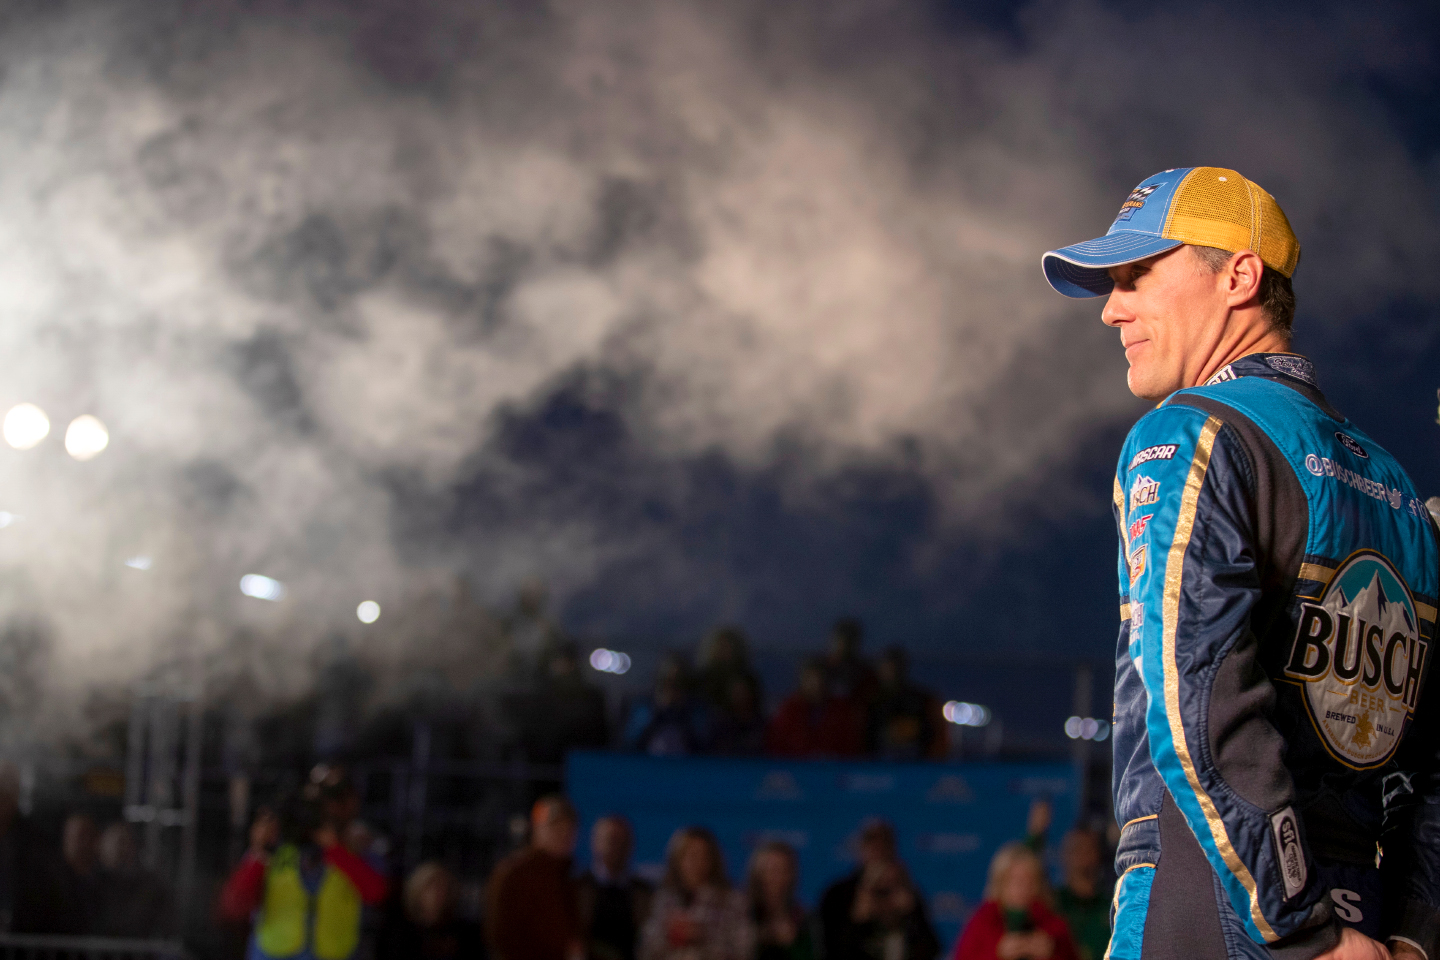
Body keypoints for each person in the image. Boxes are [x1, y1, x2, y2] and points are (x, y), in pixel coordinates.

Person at [1042, 167, 1440, 960]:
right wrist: (1412, 934)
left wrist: (1301, 928)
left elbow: (1201, 711)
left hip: (1219, 893)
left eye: (1137, 274)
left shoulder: (1191, 433)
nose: (1113, 308)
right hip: (1364, 905)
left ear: (1240, 275)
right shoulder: (1399, 491)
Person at [219, 790, 390, 960]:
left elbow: (377, 894)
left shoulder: (351, 851)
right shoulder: (270, 854)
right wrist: (259, 852)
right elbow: (234, 906)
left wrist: (334, 848)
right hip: (273, 954)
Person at [817, 821, 939, 960]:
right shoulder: (839, 894)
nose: (878, 852)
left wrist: (912, 915)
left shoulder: (906, 889)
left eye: (885, 845)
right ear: (861, 849)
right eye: (872, 845)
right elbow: (831, 950)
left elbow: (932, 949)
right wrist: (857, 919)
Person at [485, 796, 584, 960]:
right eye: (556, 826)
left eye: (569, 828)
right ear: (537, 828)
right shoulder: (513, 873)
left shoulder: (568, 877)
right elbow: (500, 936)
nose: (564, 834)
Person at [639, 826, 750, 960]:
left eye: (703, 856)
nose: (696, 863)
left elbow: (744, 951)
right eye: (690, 855)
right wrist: (668, 935)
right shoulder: (663, 900)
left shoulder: (732, 901)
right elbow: (645, 950)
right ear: (677, 859)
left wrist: (703, 936)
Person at [951, 844, 1077, 960]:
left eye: (1030, 881)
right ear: (1000, 883)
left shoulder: (1053, 925)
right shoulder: (982, 922)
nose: (1024, 888)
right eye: (1016, 881)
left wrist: (1050, 955)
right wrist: (998, 954)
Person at [578, 816, 653, 960]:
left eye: (623, 842)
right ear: (595, 842)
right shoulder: (578, 888)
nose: (616, 847)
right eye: (610, 840)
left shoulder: (644, 892)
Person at [379, 862, 485, 960]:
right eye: (431, 886)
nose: (439, 894)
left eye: (444, 888)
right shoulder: (398, 933)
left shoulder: (465, 934)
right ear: (417, 890)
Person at [765, 659, 864, 758]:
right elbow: (777, 744)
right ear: (802, 681)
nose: (817, 684)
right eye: (811, 679)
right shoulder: (788, 709)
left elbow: (850, 745)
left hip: (834, 768)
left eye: (820, 679)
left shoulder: (842, 711)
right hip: (794, 767)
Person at [96, 820, 173, 938]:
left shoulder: (150, 885)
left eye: (126, 842)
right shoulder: (91, 882)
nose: (121, 848)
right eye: (116, 841)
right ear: (101, 845)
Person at [866, 648, 946, 760]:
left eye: (896, 667)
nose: (892, 672)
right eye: (887, 667)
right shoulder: (870, 702)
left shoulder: (919, 700)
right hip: (877, 766)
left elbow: (932, 734)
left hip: (914, 764)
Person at [625, 654, 710, 756]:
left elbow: (704, 746)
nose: (671, 688)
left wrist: (681, 711)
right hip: (647, 767)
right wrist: (658, 711)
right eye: (667, 681)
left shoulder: (696, 710)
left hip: (688, 768)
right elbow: (629, 744)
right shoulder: (644, 707)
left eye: (678, 682)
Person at [746, 841, 813, 960]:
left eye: (784, 870)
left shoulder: (803, 917)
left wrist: (793, 944)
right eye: (772, 869)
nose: (778, 877)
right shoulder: (741, 911)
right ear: (757, 872)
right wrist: (763, 937)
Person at [822, 619, 877, 709]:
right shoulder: (821, 669)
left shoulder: (865, 672)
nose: (844, 645)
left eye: (849, 641)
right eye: (840, 640)